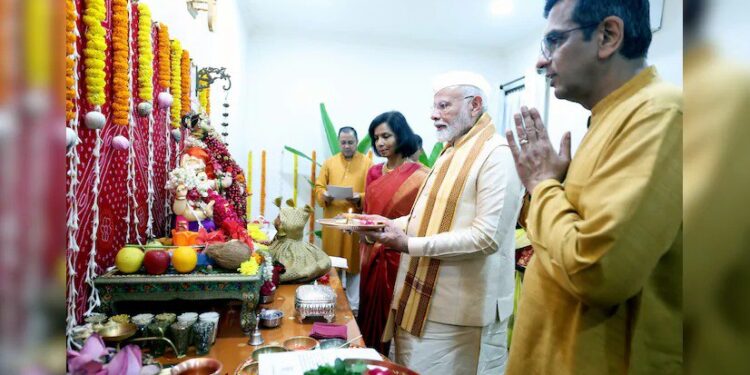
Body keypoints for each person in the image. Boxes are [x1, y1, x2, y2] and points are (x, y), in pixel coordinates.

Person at [504, 0, 682, 374]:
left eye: (554, 41)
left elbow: (596, 270)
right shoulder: (610, 116)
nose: (541, 61)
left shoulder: (658, 115)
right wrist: (556, 184)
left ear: (607, 36)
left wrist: (543, 186)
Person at [359, 71, 524, 374]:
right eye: (434, 106)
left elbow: (487, 237)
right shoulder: (452, 151)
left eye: (444, 106)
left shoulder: (497, 155)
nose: (434, 115)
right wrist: (387, 225)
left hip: (460, 315)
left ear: (475, 105)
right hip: (419, 299)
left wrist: (408, 244)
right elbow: (426, 215)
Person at [358, 111, 428, 355]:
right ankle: (368, 358)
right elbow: (367, 215)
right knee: (368, 308)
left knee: (394, 313)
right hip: (370, 252)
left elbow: (420, 221)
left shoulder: (421, 176)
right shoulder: (373, 173)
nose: (380, 143)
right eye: (376, 138)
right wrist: (358, 227)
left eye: (386, 136)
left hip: (399, 255)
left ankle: (392, 362)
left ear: (401, 135)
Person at [314, 127, 372, 312]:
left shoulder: (368, 163)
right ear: (339, 142)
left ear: (356, 142)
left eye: (350, 142)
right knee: (333, 263)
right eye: (343, 142)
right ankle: (331, 305)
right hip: (333, 222)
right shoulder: (329, 163)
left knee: (354, 264)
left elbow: (373, 191)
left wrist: (359, 197)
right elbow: (319, 187)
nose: (347, 146)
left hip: (354, 221)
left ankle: (354, 308)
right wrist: (325, 196)